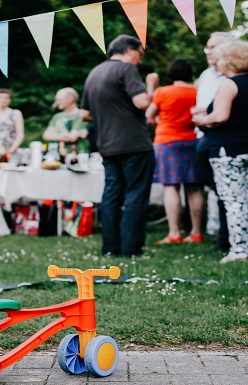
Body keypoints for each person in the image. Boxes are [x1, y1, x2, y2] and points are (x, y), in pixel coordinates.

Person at [81, 34, 158, 257]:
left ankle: (110, 248)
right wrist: (151, 86)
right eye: (140, 55)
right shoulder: (126, 69)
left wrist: (109, 115)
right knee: (136, 194)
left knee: (112, 195)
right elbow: (142, 102)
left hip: (106, 145)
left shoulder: (94, 73)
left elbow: (85, 114)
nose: (140, 61)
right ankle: (131, 250)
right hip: (133, 143)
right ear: (130, 50)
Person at [192, 40, 248, 264]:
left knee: (233, 200)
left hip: (229, 150)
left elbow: (220, 117)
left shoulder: (229, 83)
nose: (218, 61)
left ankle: (238, 250)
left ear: (231, 60)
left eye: (221, 57)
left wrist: (202, 120)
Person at [145, 59, 205, 245]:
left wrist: (160, 122)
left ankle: (174, 233)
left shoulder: (162, 92)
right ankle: (195, 233)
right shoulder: (197, 92)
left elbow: (149, 115)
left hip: (167, 142)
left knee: (171, 186)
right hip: (191, 141)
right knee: (194, 187)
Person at [193, 32, 235, 251]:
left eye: (213, 47)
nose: (208, 51)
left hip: (223, 138)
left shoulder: (235, 77)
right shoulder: (206, 75)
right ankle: (223, 234)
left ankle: (226, 238)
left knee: (226, 190)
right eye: (207, 47)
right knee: (216, 189)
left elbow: (223, 112)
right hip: (203, 137)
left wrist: (204, 114)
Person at [42, 87, 89, 155]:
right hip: (59, 157)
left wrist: (54, 136)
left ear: (70, 99)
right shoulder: (57, 116)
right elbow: (46, 136)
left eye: (59, 100)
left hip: (79, 156)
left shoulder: (81, 115)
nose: (56, 102)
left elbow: (73, 138)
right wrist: (67, 136)